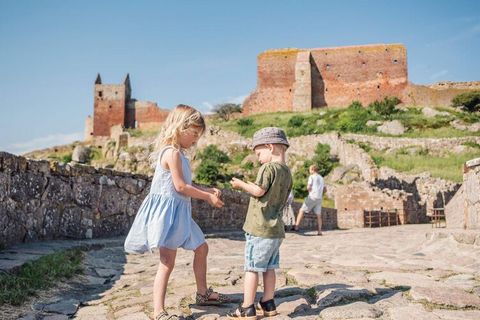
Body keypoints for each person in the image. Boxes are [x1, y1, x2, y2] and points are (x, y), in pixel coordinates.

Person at [124, 104, 230, 320]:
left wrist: (207, 189)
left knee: (201, 248)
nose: (195, 140)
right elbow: (180, 187)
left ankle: (202, 293)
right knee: (167, 262)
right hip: (168, 215)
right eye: (193, 134)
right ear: (180, 128)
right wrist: (208, 197)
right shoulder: (171, 153)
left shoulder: (180, 155)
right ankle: (158, 311)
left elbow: (185, 185)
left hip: (181, 212)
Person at [228, 127, 293, 320]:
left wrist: (241, 184)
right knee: (270, 267)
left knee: (253, 267)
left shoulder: (268, 168)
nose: (258, 158)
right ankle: (268, 302)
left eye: (259, 153)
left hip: (260, 227)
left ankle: (247, 307)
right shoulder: (287, 172)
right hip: (276, 230)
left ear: (270, 147)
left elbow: (258, 191)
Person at [293, 164, 325, 235]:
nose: (309, 171)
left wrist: (309, 190)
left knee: (301, 210)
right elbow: (325, 189)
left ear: (313, 169)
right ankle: (319, 231)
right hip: (319, 198)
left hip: (312, 196)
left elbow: (308, 187)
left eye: (310, 169)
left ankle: (296, 226)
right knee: (318, 215)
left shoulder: (312, 177)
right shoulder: (322, 178)